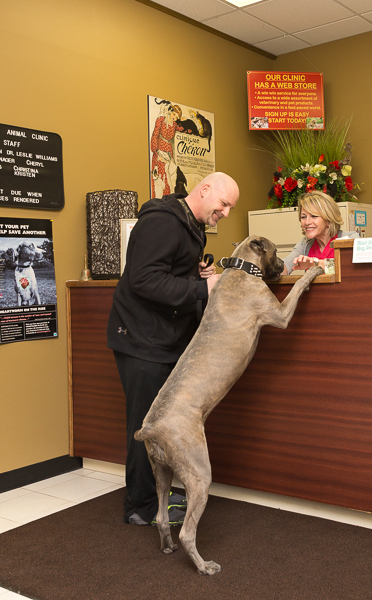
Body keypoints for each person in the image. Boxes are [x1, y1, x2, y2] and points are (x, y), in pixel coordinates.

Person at [108, 172, 239, 526]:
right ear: (205, 189)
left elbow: (165, 270)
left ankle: (154, 497)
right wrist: (203, 290)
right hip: (139, 338)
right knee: (146, 426)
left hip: (159, 339)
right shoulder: (163, 223)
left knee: (160, 425)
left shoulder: (189, 223)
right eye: (224, 205)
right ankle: (141, 507)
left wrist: (194, 274)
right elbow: (144, 279)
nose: (225, 213)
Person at [281, 191, 360, 275]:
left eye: (314, 216)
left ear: (328, 219)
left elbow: (350, 268)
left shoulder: (350, 237)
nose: (307, 222)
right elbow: (285, 266)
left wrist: (315, 263)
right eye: (303, 217)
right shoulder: (305, 243)